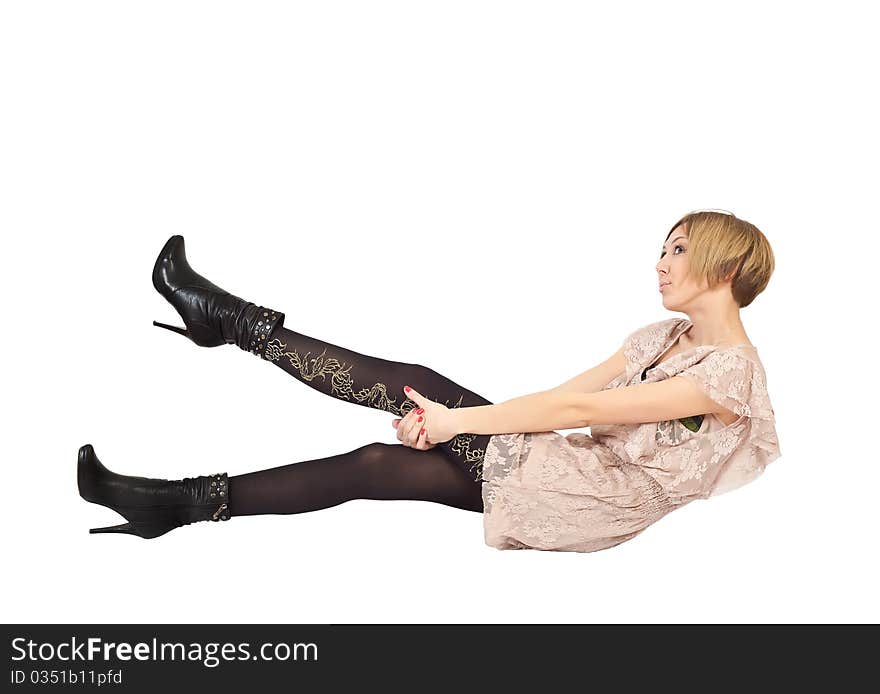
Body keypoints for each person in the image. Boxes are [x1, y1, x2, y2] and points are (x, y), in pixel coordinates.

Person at [78, 209, 781, 552]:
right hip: (574, 464)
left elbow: (575, 406)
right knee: (376, 465)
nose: (660, 261)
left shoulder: (729, 378)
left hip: (600, 497)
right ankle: (177, 506)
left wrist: (453, 425)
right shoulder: (659, 338)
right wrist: (449, 430)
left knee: (416, 385)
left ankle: (227, 323)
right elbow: (559, 398)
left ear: (724, 267)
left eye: (679, 249)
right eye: (661, 247)